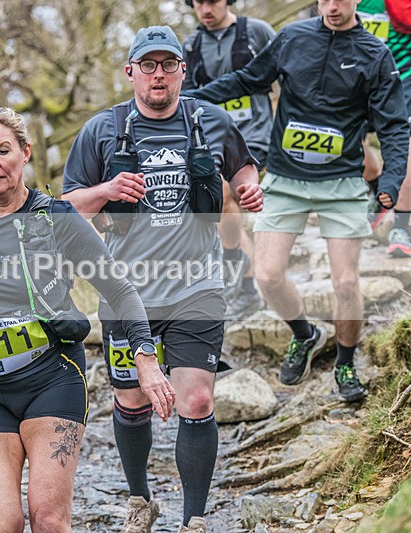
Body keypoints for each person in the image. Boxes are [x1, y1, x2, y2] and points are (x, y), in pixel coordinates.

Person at [0, 107, 173, 532]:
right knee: (0, 525)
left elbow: (120, 290)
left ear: (25, 153)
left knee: (47, 520)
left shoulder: (58, 218)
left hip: (53, 379)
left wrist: (146, 359)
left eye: (2, 151)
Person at [62, 26, 262, 533]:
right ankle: (140, 500)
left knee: (197, 400)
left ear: (182, 71)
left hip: (197, 286)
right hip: (126, 292)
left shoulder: (210, 120)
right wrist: (107, 189)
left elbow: (243, 168)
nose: (158, 75)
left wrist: (248, 189)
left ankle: (194, 519)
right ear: (130, 71)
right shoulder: (102, 130)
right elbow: (66, 208)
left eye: (168, 65)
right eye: (148, 65)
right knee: (132, 400)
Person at [183, 0, 410, 402]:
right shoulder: (292, 37)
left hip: (341, 182)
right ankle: (305, 334)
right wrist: (191, 99)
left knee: (345, 284)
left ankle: (345, 363)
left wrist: (390, 179)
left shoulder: (375, 53)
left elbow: (393, 125)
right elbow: (247, 80)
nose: (332, 7)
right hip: (286, 178)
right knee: (267, 276)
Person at [182, 0, 276, 319]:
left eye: (213, 1)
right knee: (223, 200)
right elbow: (186, 99)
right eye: (198, 3)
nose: (205, 9)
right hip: (214, 139)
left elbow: (288, 74)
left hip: (256, 135)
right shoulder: (191, 46)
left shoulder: (258, 32)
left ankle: (238, 267)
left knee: (227, 196)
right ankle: (245, 283)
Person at [358, 0, 411, 257]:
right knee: (343, 138)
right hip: (360, 78)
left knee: (407, 145)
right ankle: (378, 188)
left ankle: (401, 227)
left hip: (405, 76)